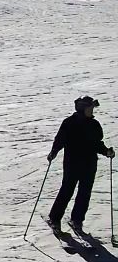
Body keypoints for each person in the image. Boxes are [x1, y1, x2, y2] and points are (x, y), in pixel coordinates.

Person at [47, 96, 115, 235]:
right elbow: (60, 139)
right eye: (90, 108)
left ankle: (77, 220)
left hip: (89, 164)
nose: (92, 111)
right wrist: (54, 151)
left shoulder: (94, 125)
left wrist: (106, 152)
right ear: (82, 109)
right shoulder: (69, 123)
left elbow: (97, 143)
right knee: (67, 190)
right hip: (72, 163)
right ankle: (54, 218)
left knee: (84, 193)